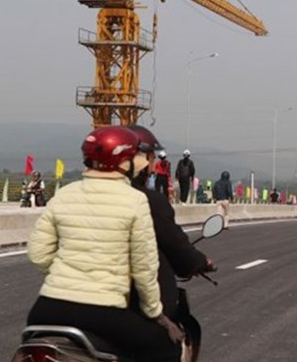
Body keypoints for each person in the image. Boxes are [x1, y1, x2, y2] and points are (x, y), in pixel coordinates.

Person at [25, 126, 183, 361]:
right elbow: (144, 267)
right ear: (125, 162)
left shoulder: (64, 194)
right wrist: (155, 313)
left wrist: (68, 274)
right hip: (103, 310)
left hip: (47, 308)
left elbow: (38, 254)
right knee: (166, 347)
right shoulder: (135, 201)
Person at [126, 125, 216, 362]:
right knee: (168, 344)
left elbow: (41, 254)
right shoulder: (147, 202)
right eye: (152, 158)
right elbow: (176, 248)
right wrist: (197, 262)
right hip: (123, 305)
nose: (155, 163)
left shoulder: (71, 198)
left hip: (57, 303)